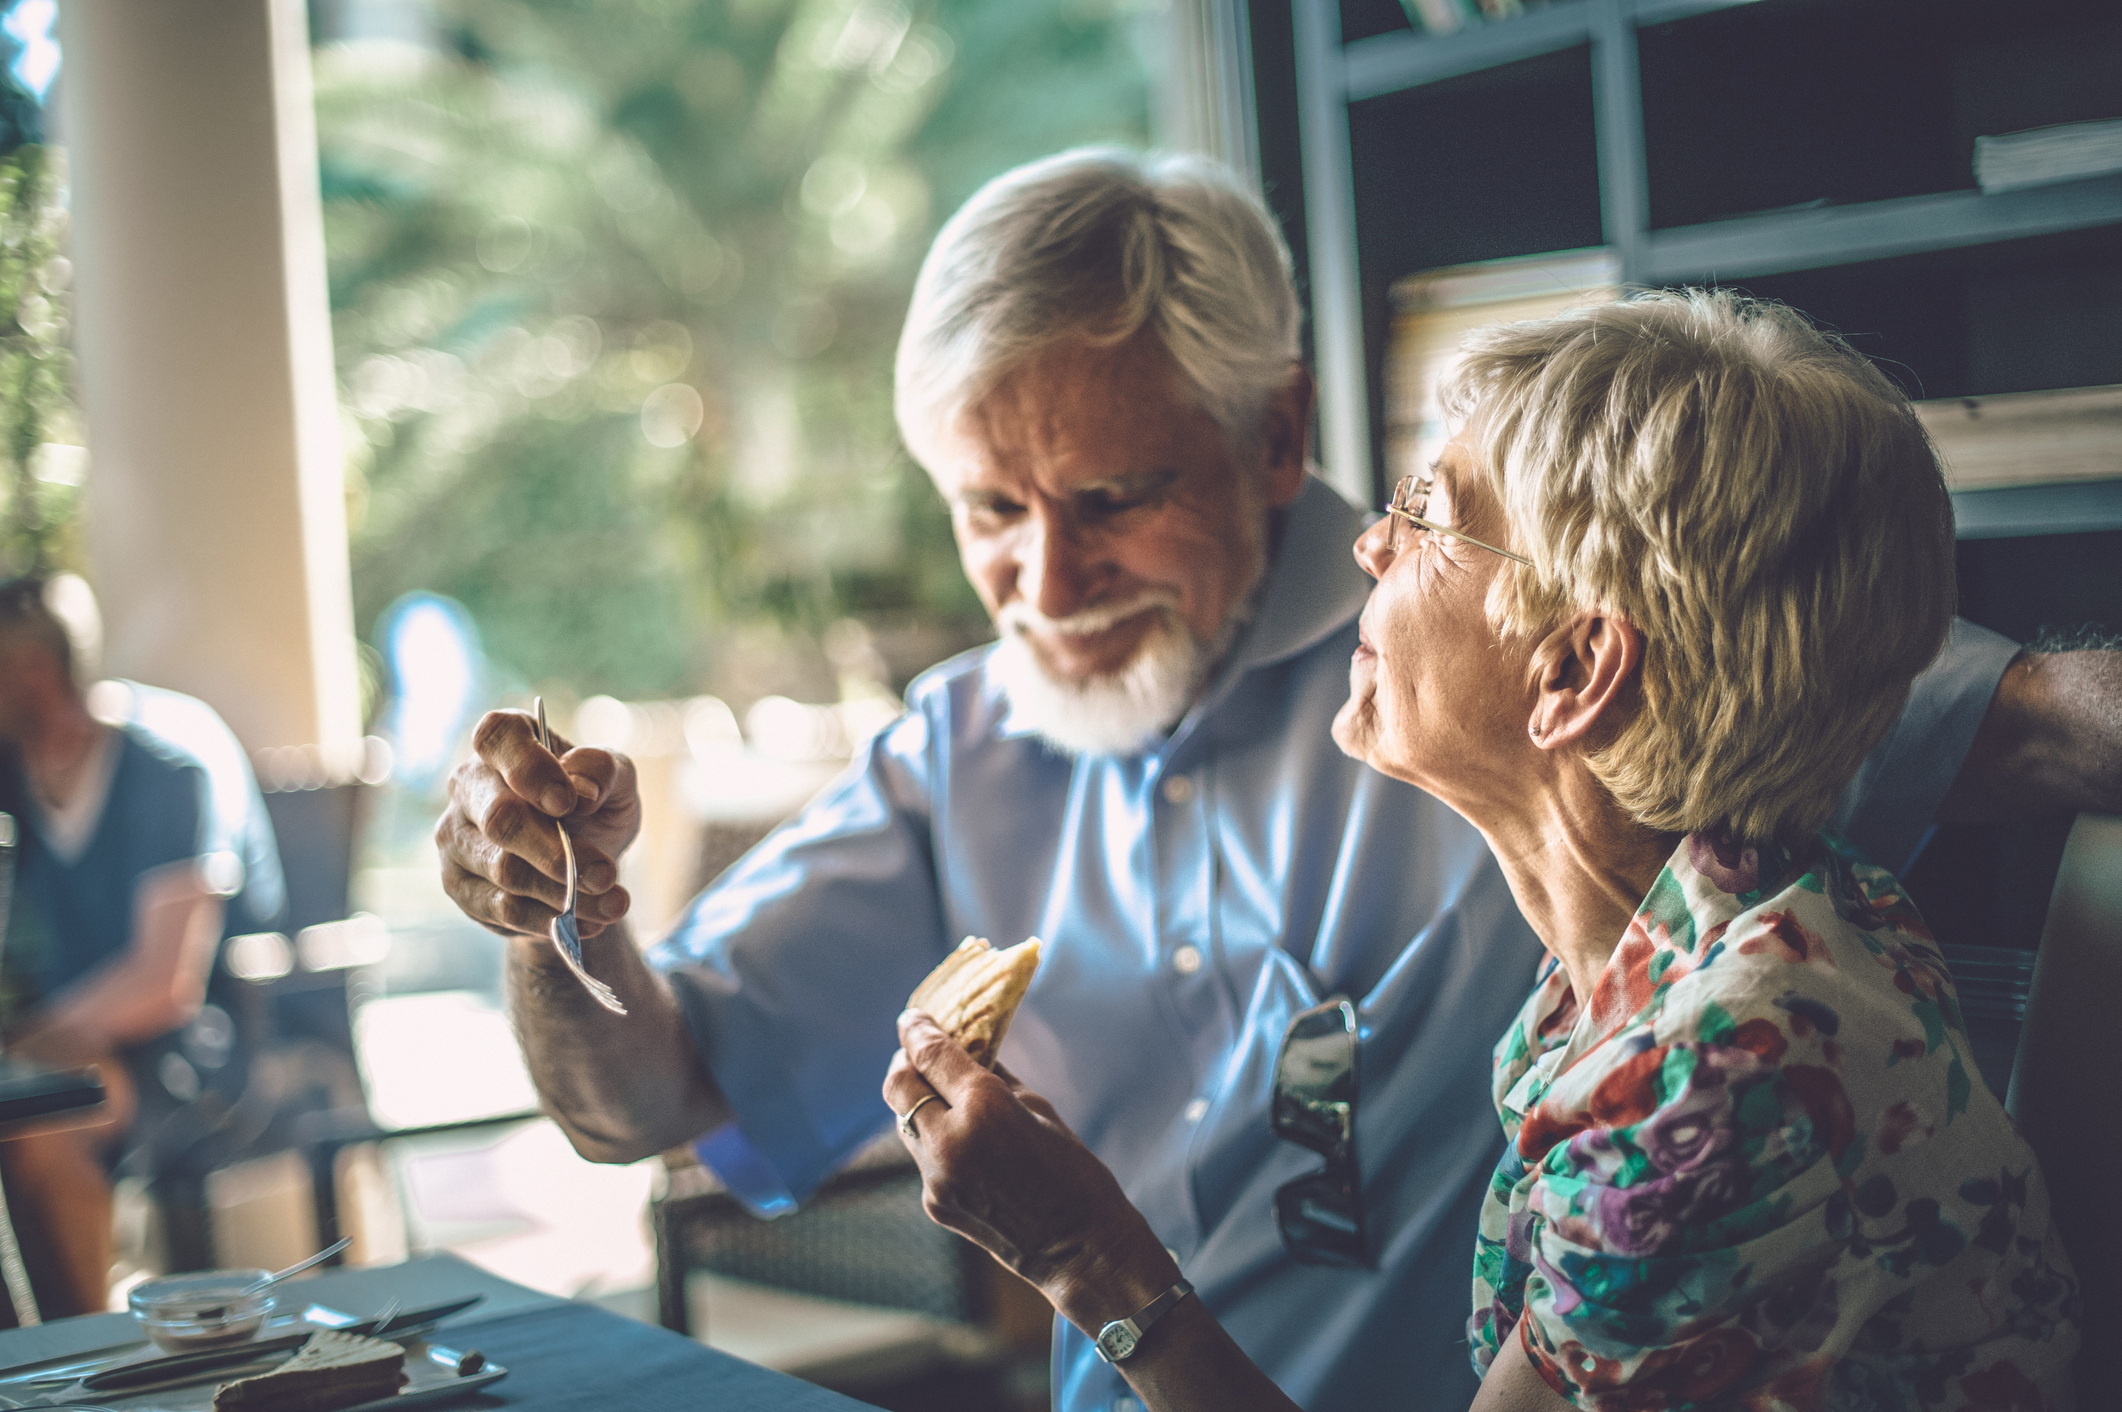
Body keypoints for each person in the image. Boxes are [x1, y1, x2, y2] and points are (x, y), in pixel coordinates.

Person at [434, 150, 2122, 1412]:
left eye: (1106, 494)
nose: (1040, 575)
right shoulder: (967, 746)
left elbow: (1995, 708)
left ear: (1273, 434)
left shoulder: (1597, 753)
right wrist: (554, 906)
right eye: (986, 512)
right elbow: (639, 1102)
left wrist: (1088, 1264)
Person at [882, 289, 2080, 1410]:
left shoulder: (1716, 1077)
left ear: (1569, 671)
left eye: (1427, 515)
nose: (1367, 548)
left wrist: (1084, 1256)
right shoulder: (1731, 928)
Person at [0, 576, 285, 1317]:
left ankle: (77, 1361)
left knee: (39, 1125)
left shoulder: (169, 766)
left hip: (193, 1053)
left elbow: (166, 984)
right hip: (64, 1044)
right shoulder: (14, 772)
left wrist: (22, 1039)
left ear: (30, 670)